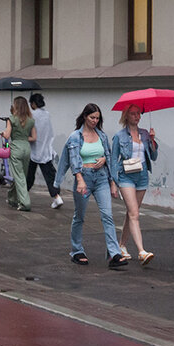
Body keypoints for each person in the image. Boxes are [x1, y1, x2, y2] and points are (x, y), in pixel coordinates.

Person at [56, 103, 126, 268]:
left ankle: (114, 254)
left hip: (101, 178)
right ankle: (76, 251)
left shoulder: (101, 136)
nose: (95, 121)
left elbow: (107, 157)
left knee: (107, 215)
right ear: (85, 117)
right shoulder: (75, 137)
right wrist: (79, 179)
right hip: (84, 178)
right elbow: (73, 161)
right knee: (79, 216)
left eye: (97, 118)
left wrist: (111, 181)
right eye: (92, 117)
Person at [111, 104, 160, 266]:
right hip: (126, 176)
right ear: (126, 116)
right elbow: (113, 160)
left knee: (132, 213)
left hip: (142, 175)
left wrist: (153, 141)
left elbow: (153, 157)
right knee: (134, 214)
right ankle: (141, 251)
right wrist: (113, 182)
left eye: (138, 113)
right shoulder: (119, 136)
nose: (137, 116)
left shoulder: (145, 134)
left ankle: (122, 245)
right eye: (133, 114)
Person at [26, 93, 62, 209]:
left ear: (33, 103)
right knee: (50, 175)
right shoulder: (47, 115)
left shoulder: (31, 115)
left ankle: (22, 195)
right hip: (46, 149)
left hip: (33, 148)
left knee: (28, 175)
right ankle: (56, 197)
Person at [2, 96, 36, 211]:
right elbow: (34, 137)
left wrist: (3, 133)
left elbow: (7, 136)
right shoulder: (31, 120)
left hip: (16, 148)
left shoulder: (11, 119)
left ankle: (25, 203)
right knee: (21, 176)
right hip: (26, 148)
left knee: (19, 177)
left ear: (15, 106)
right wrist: (24, 138)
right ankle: (12, 198)